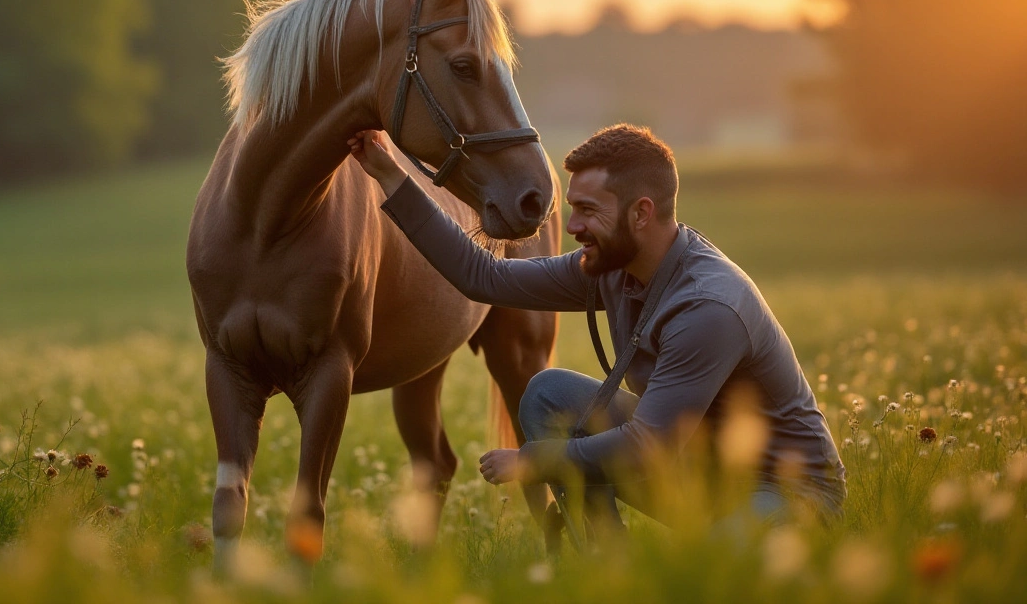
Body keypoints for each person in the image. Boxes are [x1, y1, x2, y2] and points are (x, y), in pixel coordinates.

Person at [347, 124, 846, 536]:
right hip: (700, 469)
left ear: (641, 213)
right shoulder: (610, 267)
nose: (571, 227)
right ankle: (607, 570)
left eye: (587, 210)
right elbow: (484, 276)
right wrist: (391, 176)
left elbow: (648, 449)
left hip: (786, 490)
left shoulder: (707, 307)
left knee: (699, 577)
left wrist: (534, 461)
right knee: (548, 393)